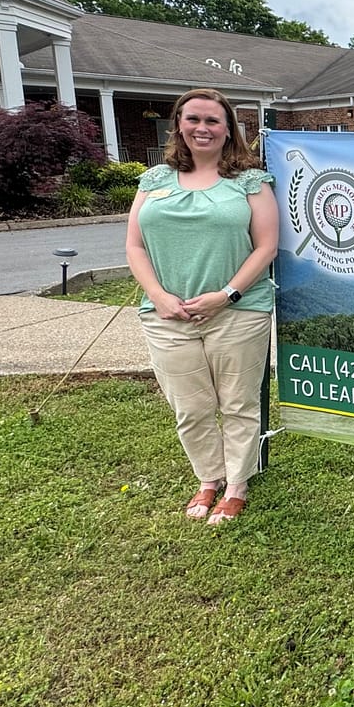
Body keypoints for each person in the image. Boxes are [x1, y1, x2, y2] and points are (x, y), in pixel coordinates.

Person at [126, 88, 278, 526]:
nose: (203, 128)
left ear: (228, 128)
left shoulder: (250, 182)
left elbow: (266, 247)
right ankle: (208, 478)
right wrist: (158, 296)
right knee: (190, 408)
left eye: (213, 121)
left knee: (238, 404)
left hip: (239, 311)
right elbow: (135, 245)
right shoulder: (154, 181)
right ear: (178, 125)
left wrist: (226, 294)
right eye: (193, 119)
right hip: (166, 315)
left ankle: (237, 484)